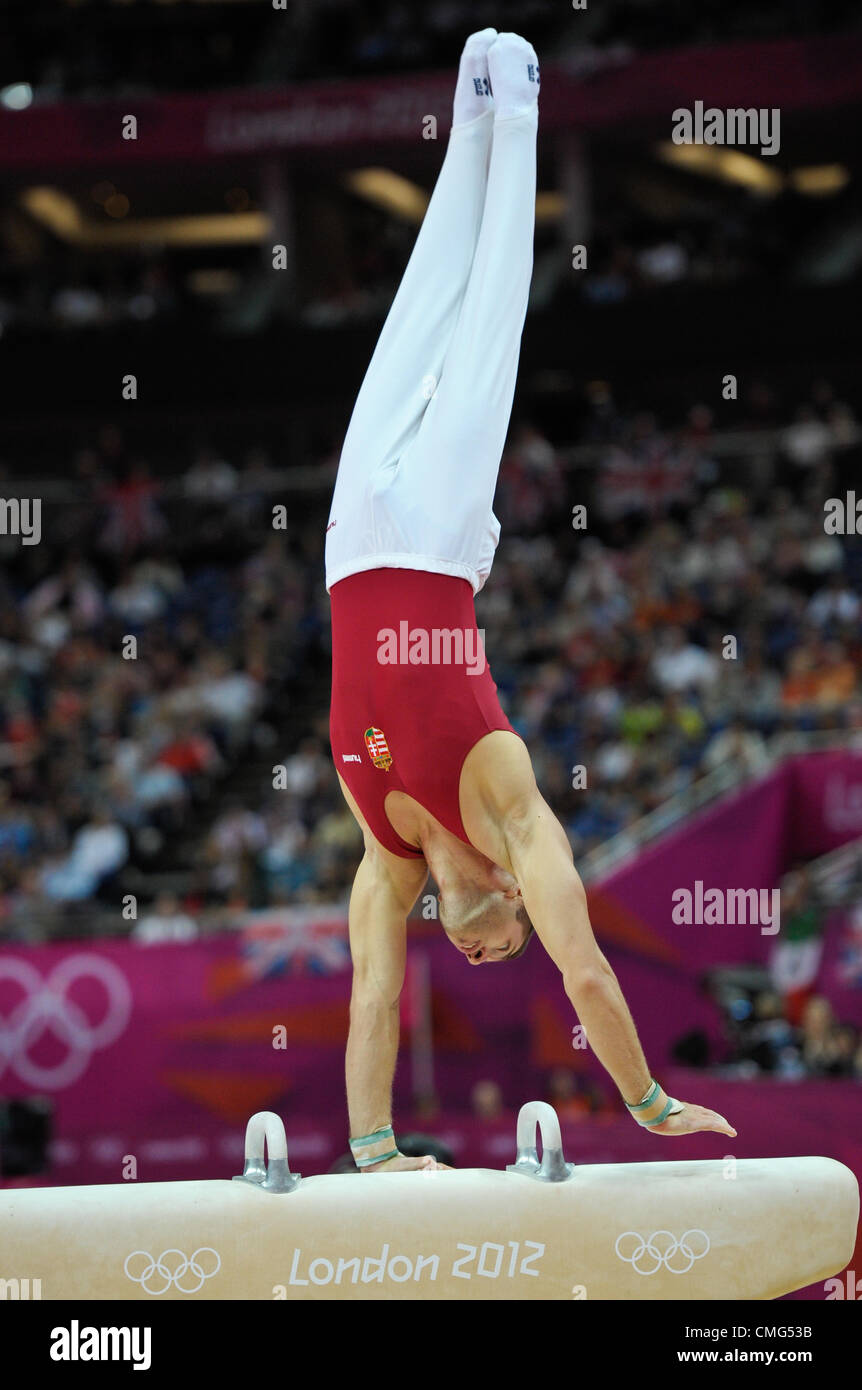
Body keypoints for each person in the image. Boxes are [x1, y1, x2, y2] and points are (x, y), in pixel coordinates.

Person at [326, 31, 735, 1175]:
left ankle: (473, 112)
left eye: (494, 952)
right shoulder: (510, 810)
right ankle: (517, 110)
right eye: (514, 948)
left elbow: (371, 1003)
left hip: (355, 543)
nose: (502, 955)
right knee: (489, 321)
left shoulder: (382, 859)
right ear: (513, 896)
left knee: (427, 310)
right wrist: (648, 1103)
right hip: (434, 550)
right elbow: (588, 971)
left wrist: (371, 1152)